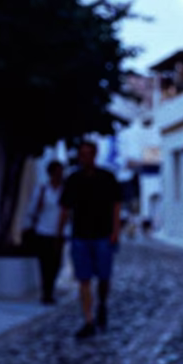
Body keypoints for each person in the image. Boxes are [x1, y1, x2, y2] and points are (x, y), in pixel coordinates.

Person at [58, 141, 121, 339]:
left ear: (95, 155)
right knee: (83, 279)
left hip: (103, 234)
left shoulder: (107, 177)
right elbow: (65, 208)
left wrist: (116, 230)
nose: (85, 158)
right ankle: (88, 319)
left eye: (89, 154)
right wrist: (59, 232)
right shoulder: (73, 179)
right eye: (82, 154)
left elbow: (116, 205)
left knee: (104, 277)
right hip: (80, 235)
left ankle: (102, 303)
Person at [26, 160, 66, 304]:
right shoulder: (42, 189)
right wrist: (39, 207)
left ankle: (51, 288)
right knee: (45, 264)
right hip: (43, 231)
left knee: (57, 263)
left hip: (60, 233)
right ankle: (46, 293)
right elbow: (32, 210)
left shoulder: (65, 190)